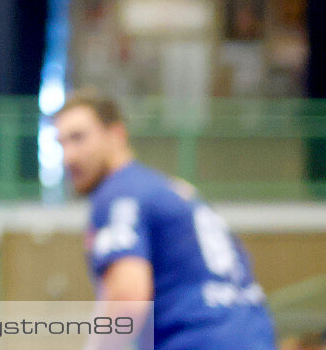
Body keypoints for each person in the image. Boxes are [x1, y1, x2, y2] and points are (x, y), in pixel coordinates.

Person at [54, 89, 277, 350]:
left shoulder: (119, 193)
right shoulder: (173, 192)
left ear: (116, 135)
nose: (68, 156)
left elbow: (127, 297)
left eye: (78, 138)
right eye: (61, 144)